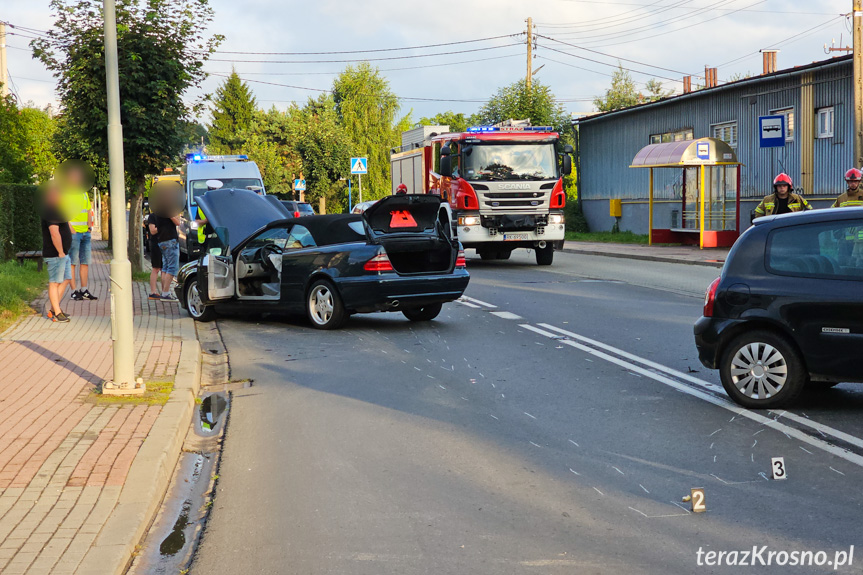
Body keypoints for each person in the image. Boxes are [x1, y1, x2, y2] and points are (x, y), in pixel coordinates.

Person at [41, 183, 74, 322]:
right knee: (54, 282)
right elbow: (54, 233)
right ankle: (57, 313)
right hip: (55, 254)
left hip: (63, 253)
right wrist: (60, 252)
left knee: (66, 279)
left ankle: (54, 310)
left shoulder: (58, 210)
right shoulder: (50, 211)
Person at [67, 183, 97, 301]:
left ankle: (84, 289)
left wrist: (89, 228)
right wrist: (71, 230)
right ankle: (74, 291)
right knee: (72, 262)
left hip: (85, 233)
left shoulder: (84, 193)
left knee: (85, 262)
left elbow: (89, 210)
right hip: (74, 233)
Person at [154, 213, 181, 301]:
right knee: (172, 268)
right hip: (170, 240)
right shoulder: (167, 210)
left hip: (162, 240)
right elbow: (178, 223)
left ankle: (165, 292)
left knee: (165, 267)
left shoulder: (158, 210)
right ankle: (165, 293)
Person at [146, 211, 163, 300]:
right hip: (156, 244)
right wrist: (163, 227)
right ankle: (153, 292)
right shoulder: (152, 216)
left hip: (165, 243)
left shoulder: (166, 215)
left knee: (165, 269)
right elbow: (152, 230)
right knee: (156, 268)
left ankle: (165, 292)